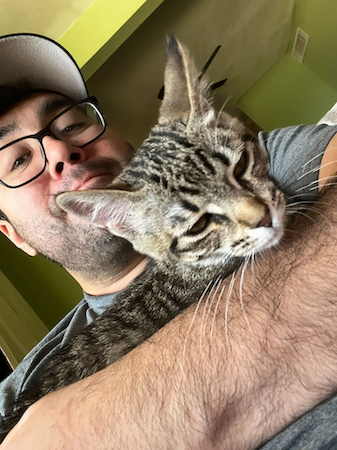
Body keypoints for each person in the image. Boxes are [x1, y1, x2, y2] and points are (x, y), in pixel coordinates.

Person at [0, 32, 337, 450]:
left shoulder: (269, 157)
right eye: (17, 160)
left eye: (71, 124)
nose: (59, 150)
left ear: (128, 144)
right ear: (13, 236)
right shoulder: (18, 391)